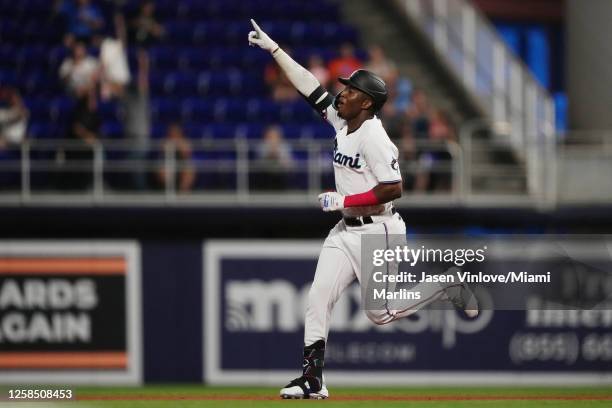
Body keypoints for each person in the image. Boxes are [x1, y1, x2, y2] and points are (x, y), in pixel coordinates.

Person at [248, 20, 478, 400]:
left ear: (367, 102)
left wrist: (345, 200)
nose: (342, 94)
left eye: (351, 91)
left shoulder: (375, 137)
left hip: (379, 230)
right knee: (318, 297)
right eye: (345, 89)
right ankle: (312, 380)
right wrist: (274, 49)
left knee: (381, 313)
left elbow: (394, 188)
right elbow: (309, 86)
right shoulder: (343, 122)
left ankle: (446, 284)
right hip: (345, 231)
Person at [155, 123, 195, 193]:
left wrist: (178, 144)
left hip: (182, 165)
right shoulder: (164, 141)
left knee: (189, 170)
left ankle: (182, 193)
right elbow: (162, 153)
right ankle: (168, 192)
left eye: (175, 132)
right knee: (162, 170)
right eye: (172, 132)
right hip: (167, 164)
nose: (173, 134)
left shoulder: (185, 142)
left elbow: (187, 155)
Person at [252, 125, 294, 190]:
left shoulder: (285, 146)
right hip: (264, 173)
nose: (273, 138)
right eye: (270, 135)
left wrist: (278, 156)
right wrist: (270, 155)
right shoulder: (261, 146)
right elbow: (258, 163)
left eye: (275, 135)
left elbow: (288, 163)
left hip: (281, 173)